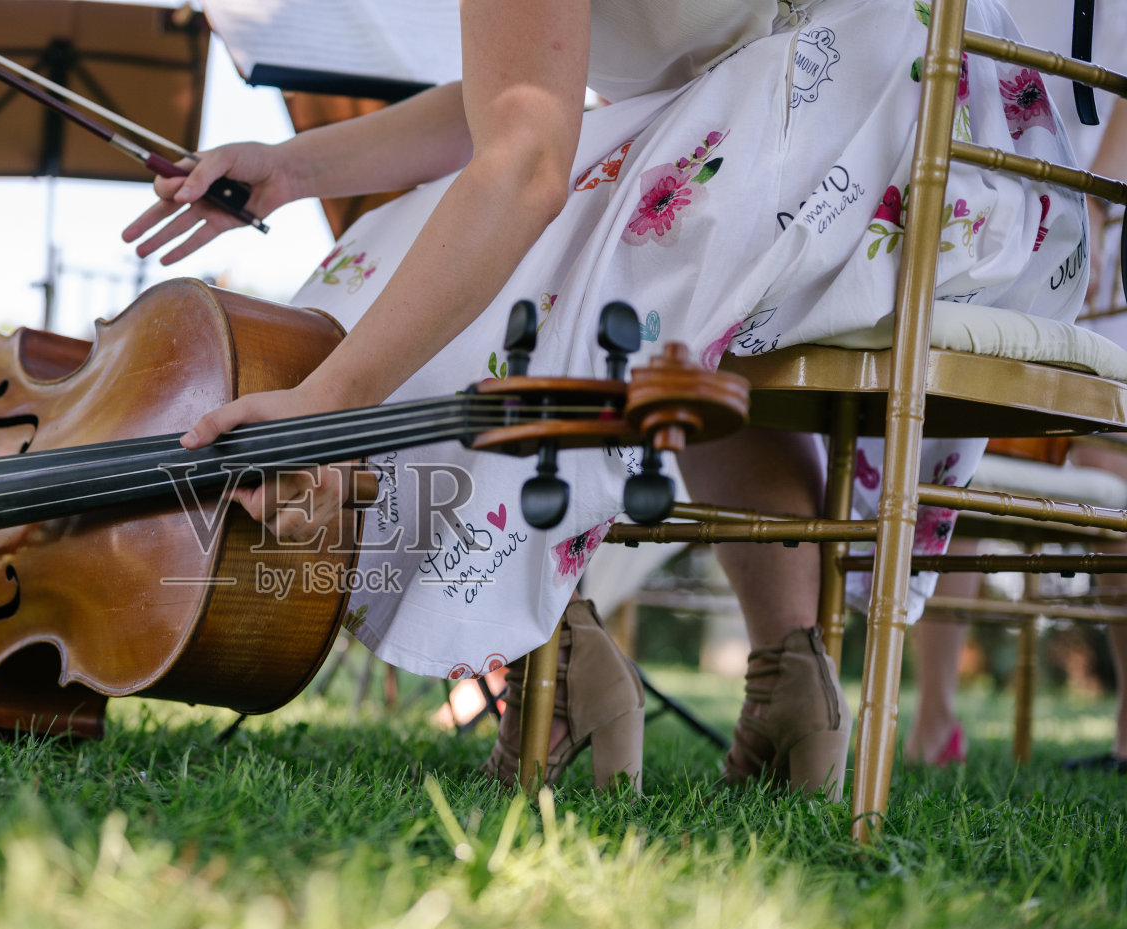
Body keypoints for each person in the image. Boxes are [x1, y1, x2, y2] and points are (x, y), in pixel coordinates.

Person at [125, 0, 1086, 798]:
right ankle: (790, 681)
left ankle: (558, 669)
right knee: (659, 304)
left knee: (402, 281)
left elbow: (525, 160)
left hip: (851, 120)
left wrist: (333, 400)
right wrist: (297, 167)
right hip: (983, 143)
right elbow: (526, 89)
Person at [903, 0, 1127, 771]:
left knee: (1107, 480)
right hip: (996, 215)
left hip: (1102, 231)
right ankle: (935, 716)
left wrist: (1094, 203)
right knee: (951, 472)